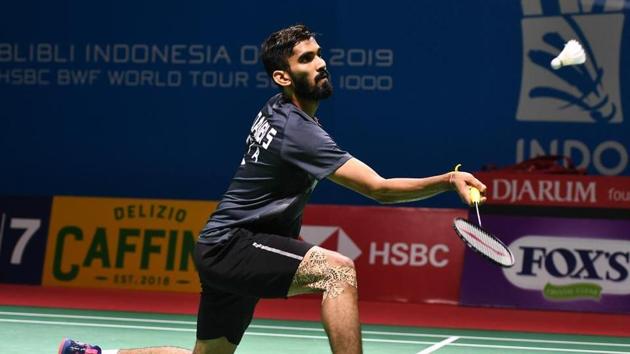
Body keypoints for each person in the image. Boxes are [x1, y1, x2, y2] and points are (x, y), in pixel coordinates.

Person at [60, 24, 486, 354]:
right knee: (338, 271)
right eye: (306, 59)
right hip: (234, 244)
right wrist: (447, 180)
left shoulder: (279, 109)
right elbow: (380, 189)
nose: (320, 63)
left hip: (222, 245)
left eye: (319, 54)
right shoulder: (298, 131)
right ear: (283, 76)